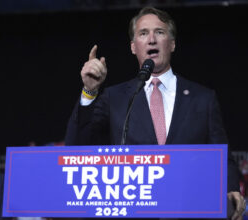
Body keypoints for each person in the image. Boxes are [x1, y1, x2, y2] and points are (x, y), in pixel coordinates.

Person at [65, 6, 246, 219]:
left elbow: (221, 156)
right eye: (143, 33)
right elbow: (76, 145)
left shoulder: (202, 99)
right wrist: (90, 91)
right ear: (133, 47)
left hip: (190, 211)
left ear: (172, 44)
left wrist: (231, 189)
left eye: (159, 32)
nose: (151, 39)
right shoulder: (116, 98)